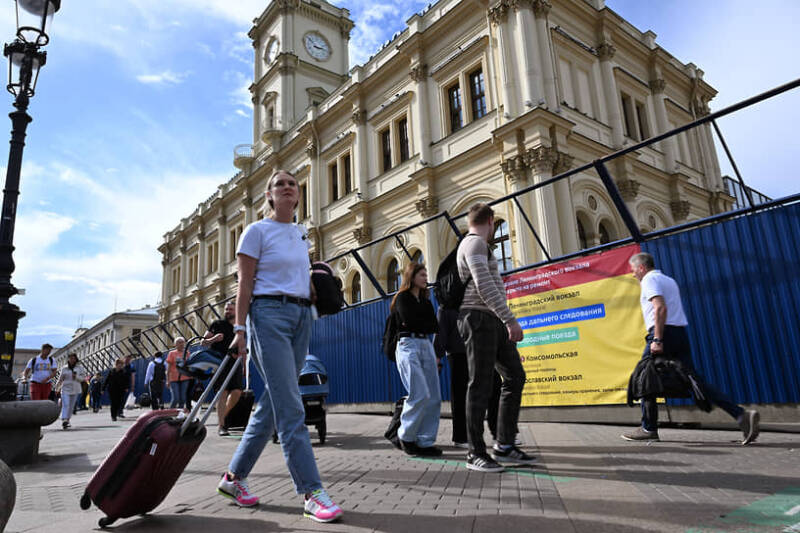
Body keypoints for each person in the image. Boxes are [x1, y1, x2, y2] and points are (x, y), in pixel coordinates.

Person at [216, 169, 343, 523]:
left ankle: (233, 479)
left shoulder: (300, 234)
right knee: (291, 407)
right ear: (269, 197)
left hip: (303, 316)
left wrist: (320, 278)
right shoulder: (256, 231)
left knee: (270, 407)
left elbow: (299, 277)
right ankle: (311, 491)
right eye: (280, 185)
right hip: (268, 314)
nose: (287, 188)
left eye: (293, 184)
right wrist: (240, 329)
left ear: (298, 195)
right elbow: (244, 284)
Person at [622, 252, 760, 444]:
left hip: (662, 333)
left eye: (633, 270)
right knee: (694, 380)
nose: (633, 274)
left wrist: (658, 339)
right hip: (679, 333)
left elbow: (659, 308)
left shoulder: (649, 280)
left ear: (641, 268)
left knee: (644, 377)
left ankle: (648, 428)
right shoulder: (669, 280)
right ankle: (740, 415)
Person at [456, 202, 534, 472]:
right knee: (480, 384)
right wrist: (509, 318)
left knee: (515, 376)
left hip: (490, 319)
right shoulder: (475, 244)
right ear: (490, 221)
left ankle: (504, 444)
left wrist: (502, 318)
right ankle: (475, 453)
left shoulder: (476, 244)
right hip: (478, 318)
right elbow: (483, 282)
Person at [391, 262, 442, 456]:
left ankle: (426, 441)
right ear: (412, 277)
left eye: (426, 274)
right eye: (422, 274)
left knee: (434, 397)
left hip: (425, 345)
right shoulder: (402, 298)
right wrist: (422, 324)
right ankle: (406, 436)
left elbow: (434, 326)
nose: (425, 278)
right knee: (420, 393)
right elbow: (411, 322)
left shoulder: (426, 301)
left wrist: (419, 323)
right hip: (408, 345)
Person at [202, 300, 243, 436]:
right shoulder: (217, 324)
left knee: (237, 392)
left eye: (230, 309)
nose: (227, 312)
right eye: (226, 309)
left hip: (234, 363)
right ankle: (222, 425)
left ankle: (223, 417)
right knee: (222, 392)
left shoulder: (239, 326)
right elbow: (203, 342)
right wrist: (214, 339)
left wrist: (244, 367)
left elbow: (243, 347)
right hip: (219, 362)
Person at [434, 306, 468, 448]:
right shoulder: (446, 307)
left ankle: (497, 434)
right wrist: (437, 356)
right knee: (460, 394)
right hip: (457, 352)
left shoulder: (469, 301)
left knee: (480, 394)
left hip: (475, 350)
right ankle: (460, 437)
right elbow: (440, 331)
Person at [54, 353, 86, 429]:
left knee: (71, 406)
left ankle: (67, 420)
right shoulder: (64, 368)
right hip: (65, 389)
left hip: (75, 389)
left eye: (73, 358)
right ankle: (64, 419)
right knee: (66, 404)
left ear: (76, 359)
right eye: (70, 358)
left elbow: (82, 378)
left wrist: (76, 377)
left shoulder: (80, 368)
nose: (72, 360)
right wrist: (57, 388)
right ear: (68, 359)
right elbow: (60, 379)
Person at [166, 337, 192, 411]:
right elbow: (168, 368)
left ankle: (179, 415)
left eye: (182, 342)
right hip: (174, 379)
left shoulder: (187, 353)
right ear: (175, 344)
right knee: (176, 398)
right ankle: (169, 412)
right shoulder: (172, 353)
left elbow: (189, 365)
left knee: (183, 398)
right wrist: (167, 380)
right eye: (179, 342)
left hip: (185, 378)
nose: (181, 344)